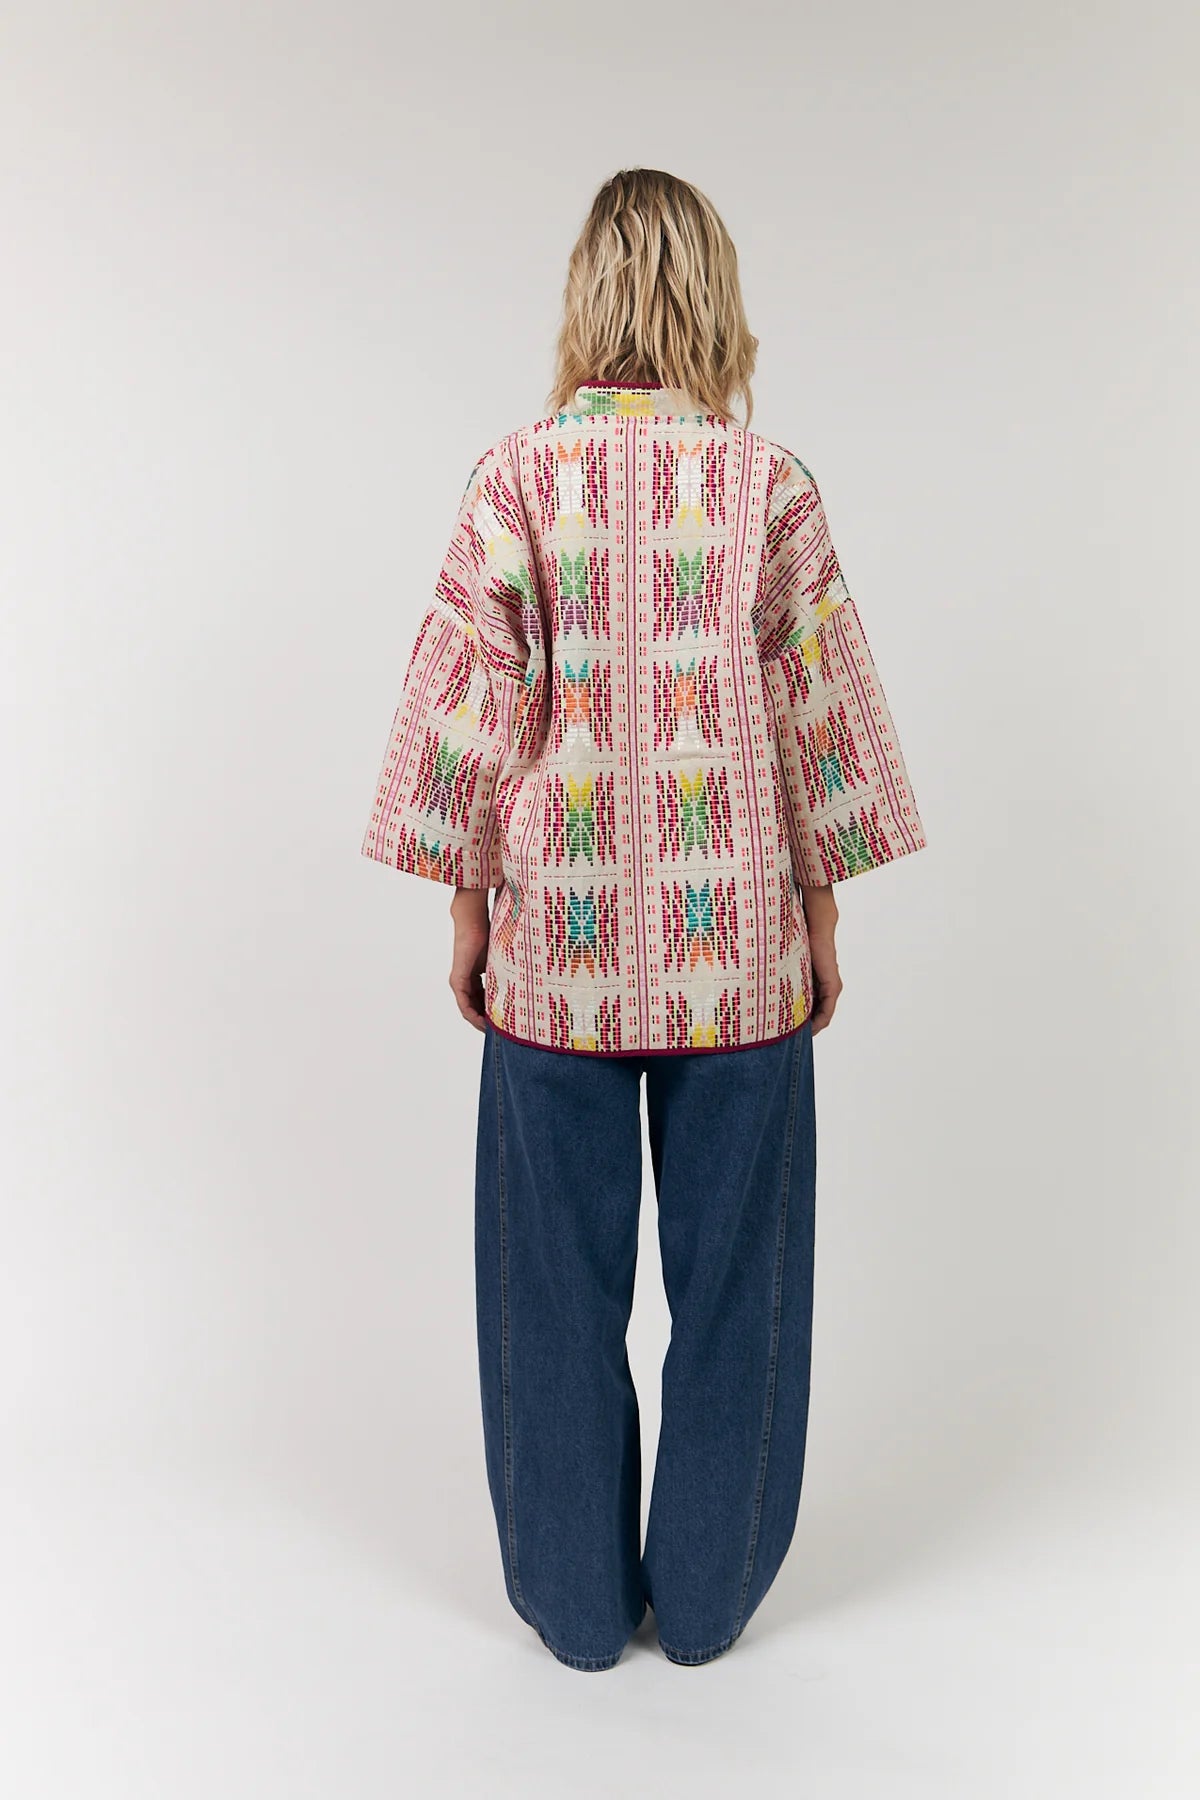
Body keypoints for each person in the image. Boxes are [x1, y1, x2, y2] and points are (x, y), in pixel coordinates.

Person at [360, 167, 927, 1670]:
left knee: (550, 1286)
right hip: (739, 962)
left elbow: (471, 714)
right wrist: (820, 918)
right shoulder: (770, 485)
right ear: (715, 301)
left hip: (555, 960)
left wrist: (468, 912)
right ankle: (712, 1600)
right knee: (744, 1290)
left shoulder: (513, 479)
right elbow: (816, 718)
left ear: (586, 296)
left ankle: (574, 1608)